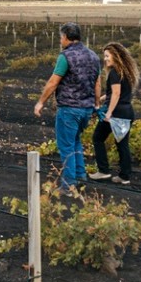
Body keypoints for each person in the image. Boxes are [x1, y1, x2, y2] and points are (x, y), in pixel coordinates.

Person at [34, 22, 101, 191]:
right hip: (87, 108)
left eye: (60, 37)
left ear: (65, 37)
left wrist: (41, 102)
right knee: (75, 141)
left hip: (69, 108)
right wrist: (97, 103)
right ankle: (80, 177)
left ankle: (68, 185)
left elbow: (53, 82)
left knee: (65, 146)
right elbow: (97, 82)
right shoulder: (93, 56)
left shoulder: (65, 56)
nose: (60, 41)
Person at [89, 41, 139, 185]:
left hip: (116, 114)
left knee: (98, 138)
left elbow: (116, 94)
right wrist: (102, 98)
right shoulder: (126, 73)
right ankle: (125, 176)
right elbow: (115, 94)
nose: (105, 59)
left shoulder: (114, 73)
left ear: (115, 56)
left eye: (107, 56)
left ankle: (103, 170)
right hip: (127, 112)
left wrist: (109, 113)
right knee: (122, 144)